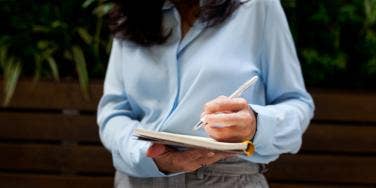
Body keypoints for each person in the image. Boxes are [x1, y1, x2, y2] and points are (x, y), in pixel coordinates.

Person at [97, 0, 315, 187]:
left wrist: (255, 125)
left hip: (226, 179)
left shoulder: (256, 6)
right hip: (137, 179)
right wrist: (143, 154)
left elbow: (296, 103)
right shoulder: (131, 13)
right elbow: (114, 111)